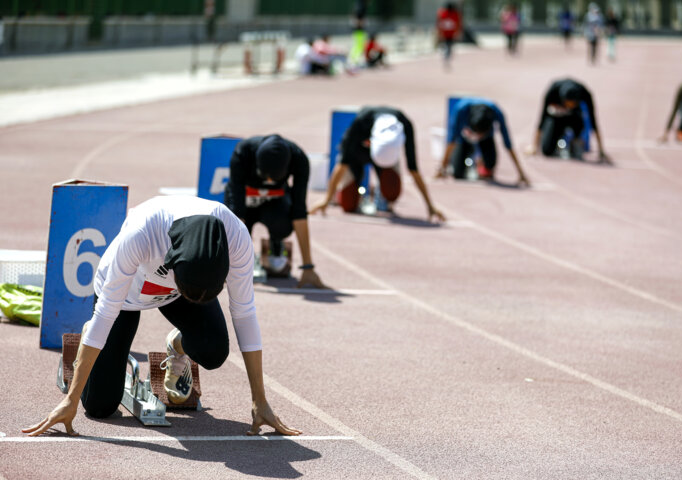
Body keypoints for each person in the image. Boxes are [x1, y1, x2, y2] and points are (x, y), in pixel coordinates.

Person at [23, 196, 301, 437]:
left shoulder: (236, 237)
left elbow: (244, 314)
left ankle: (176, 346)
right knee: (99, 407)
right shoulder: (142, 233)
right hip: (127, 297)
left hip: (181, 292)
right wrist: (70, 400)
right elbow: (107, 312)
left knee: (214, 352)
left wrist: (259, 400)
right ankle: (88, 345)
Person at [310, 106, 445, 222]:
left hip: (387, 161)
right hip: (357, 156)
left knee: (392, 190)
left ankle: (380, 195)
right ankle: (357, 193)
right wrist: (326, 200)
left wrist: (430, 206)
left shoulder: (405, 125)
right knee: (348, 204)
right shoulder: (361, 123)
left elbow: (414, 170)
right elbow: (342, 165)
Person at [224, 134, 325, 288]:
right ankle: (243, 257)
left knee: (284, 224)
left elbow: (299, 212)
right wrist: (234, 261)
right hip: (244, 203)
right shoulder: (243, 152)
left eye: (274, 178)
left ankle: (276, 245)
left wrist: (308, 266)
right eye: (266, 176)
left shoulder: (299, 159)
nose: (269, 182)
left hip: (274, 204)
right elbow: (237, 213)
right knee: (233, 227)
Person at [437, 98, 530, 186]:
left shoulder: (497, 112)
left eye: (481, 134)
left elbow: (508, 144)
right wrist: (442, 168)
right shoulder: (460, 109)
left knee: (490, 165)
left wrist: (520, 172)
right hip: (465, 136)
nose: (478, 137)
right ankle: (465, 158)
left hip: (487, 139)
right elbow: (451, 140)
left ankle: (481, 162)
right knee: (457, 173)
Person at [527, 78, 609, 162]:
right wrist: (534, 145)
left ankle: (576, 142)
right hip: (556, 118)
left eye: (572, 104)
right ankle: (558, 143)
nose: (569, 106)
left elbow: (593, 121)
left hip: (575, 118)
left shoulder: (584, 93)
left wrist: (601, 149)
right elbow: (542, 118)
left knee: (577, 154)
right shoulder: (552, 91)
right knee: (546, 150)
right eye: (567, 104)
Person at [436, 2, 461, 69]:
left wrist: (439, 32)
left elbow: (439, 23)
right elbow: (458, 24)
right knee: (449, 45)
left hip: (446, 33)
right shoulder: (454, 14)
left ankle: (446, 55)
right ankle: (447, 55)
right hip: (450, 33)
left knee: (447, 45)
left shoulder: (443, 13)